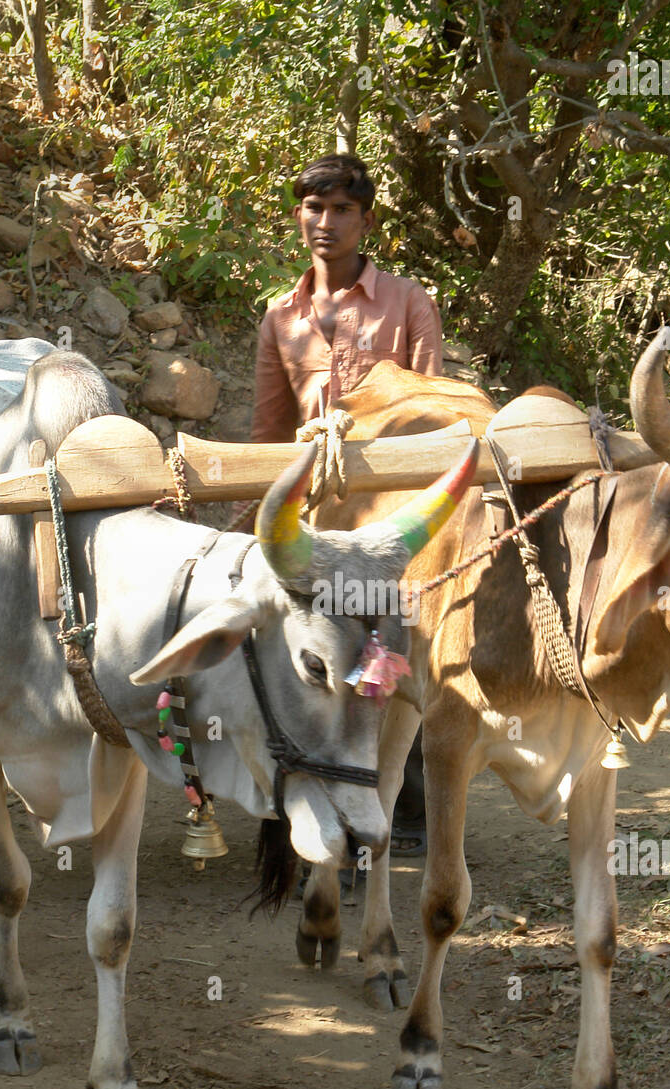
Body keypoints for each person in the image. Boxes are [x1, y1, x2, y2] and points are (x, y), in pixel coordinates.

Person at [250, 153, 431, 864]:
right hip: (310, 530)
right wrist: (251, 531)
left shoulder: (409, 303)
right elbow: (266, 438)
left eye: (341, 211)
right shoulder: (280, 318)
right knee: (302, 663)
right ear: (300, 216)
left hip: (385, 522)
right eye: (313, 209)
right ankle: (295, 803)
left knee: (388, 648)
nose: (325, 224)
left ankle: (400, 789)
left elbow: (430, 417)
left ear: (366, 221)